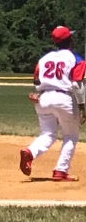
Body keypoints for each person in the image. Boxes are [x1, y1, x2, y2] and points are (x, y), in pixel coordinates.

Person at [21, 25, 86, 181]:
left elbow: (37, 80)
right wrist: (83, 106)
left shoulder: (44, 59)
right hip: (64, 99)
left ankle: (30, 152)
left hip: (43, 99)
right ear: (70, 40)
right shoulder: (76, 59)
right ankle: (60, 171)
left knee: (48, 134)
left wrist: (39, 93)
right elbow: (77, 84)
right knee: (70, 135)